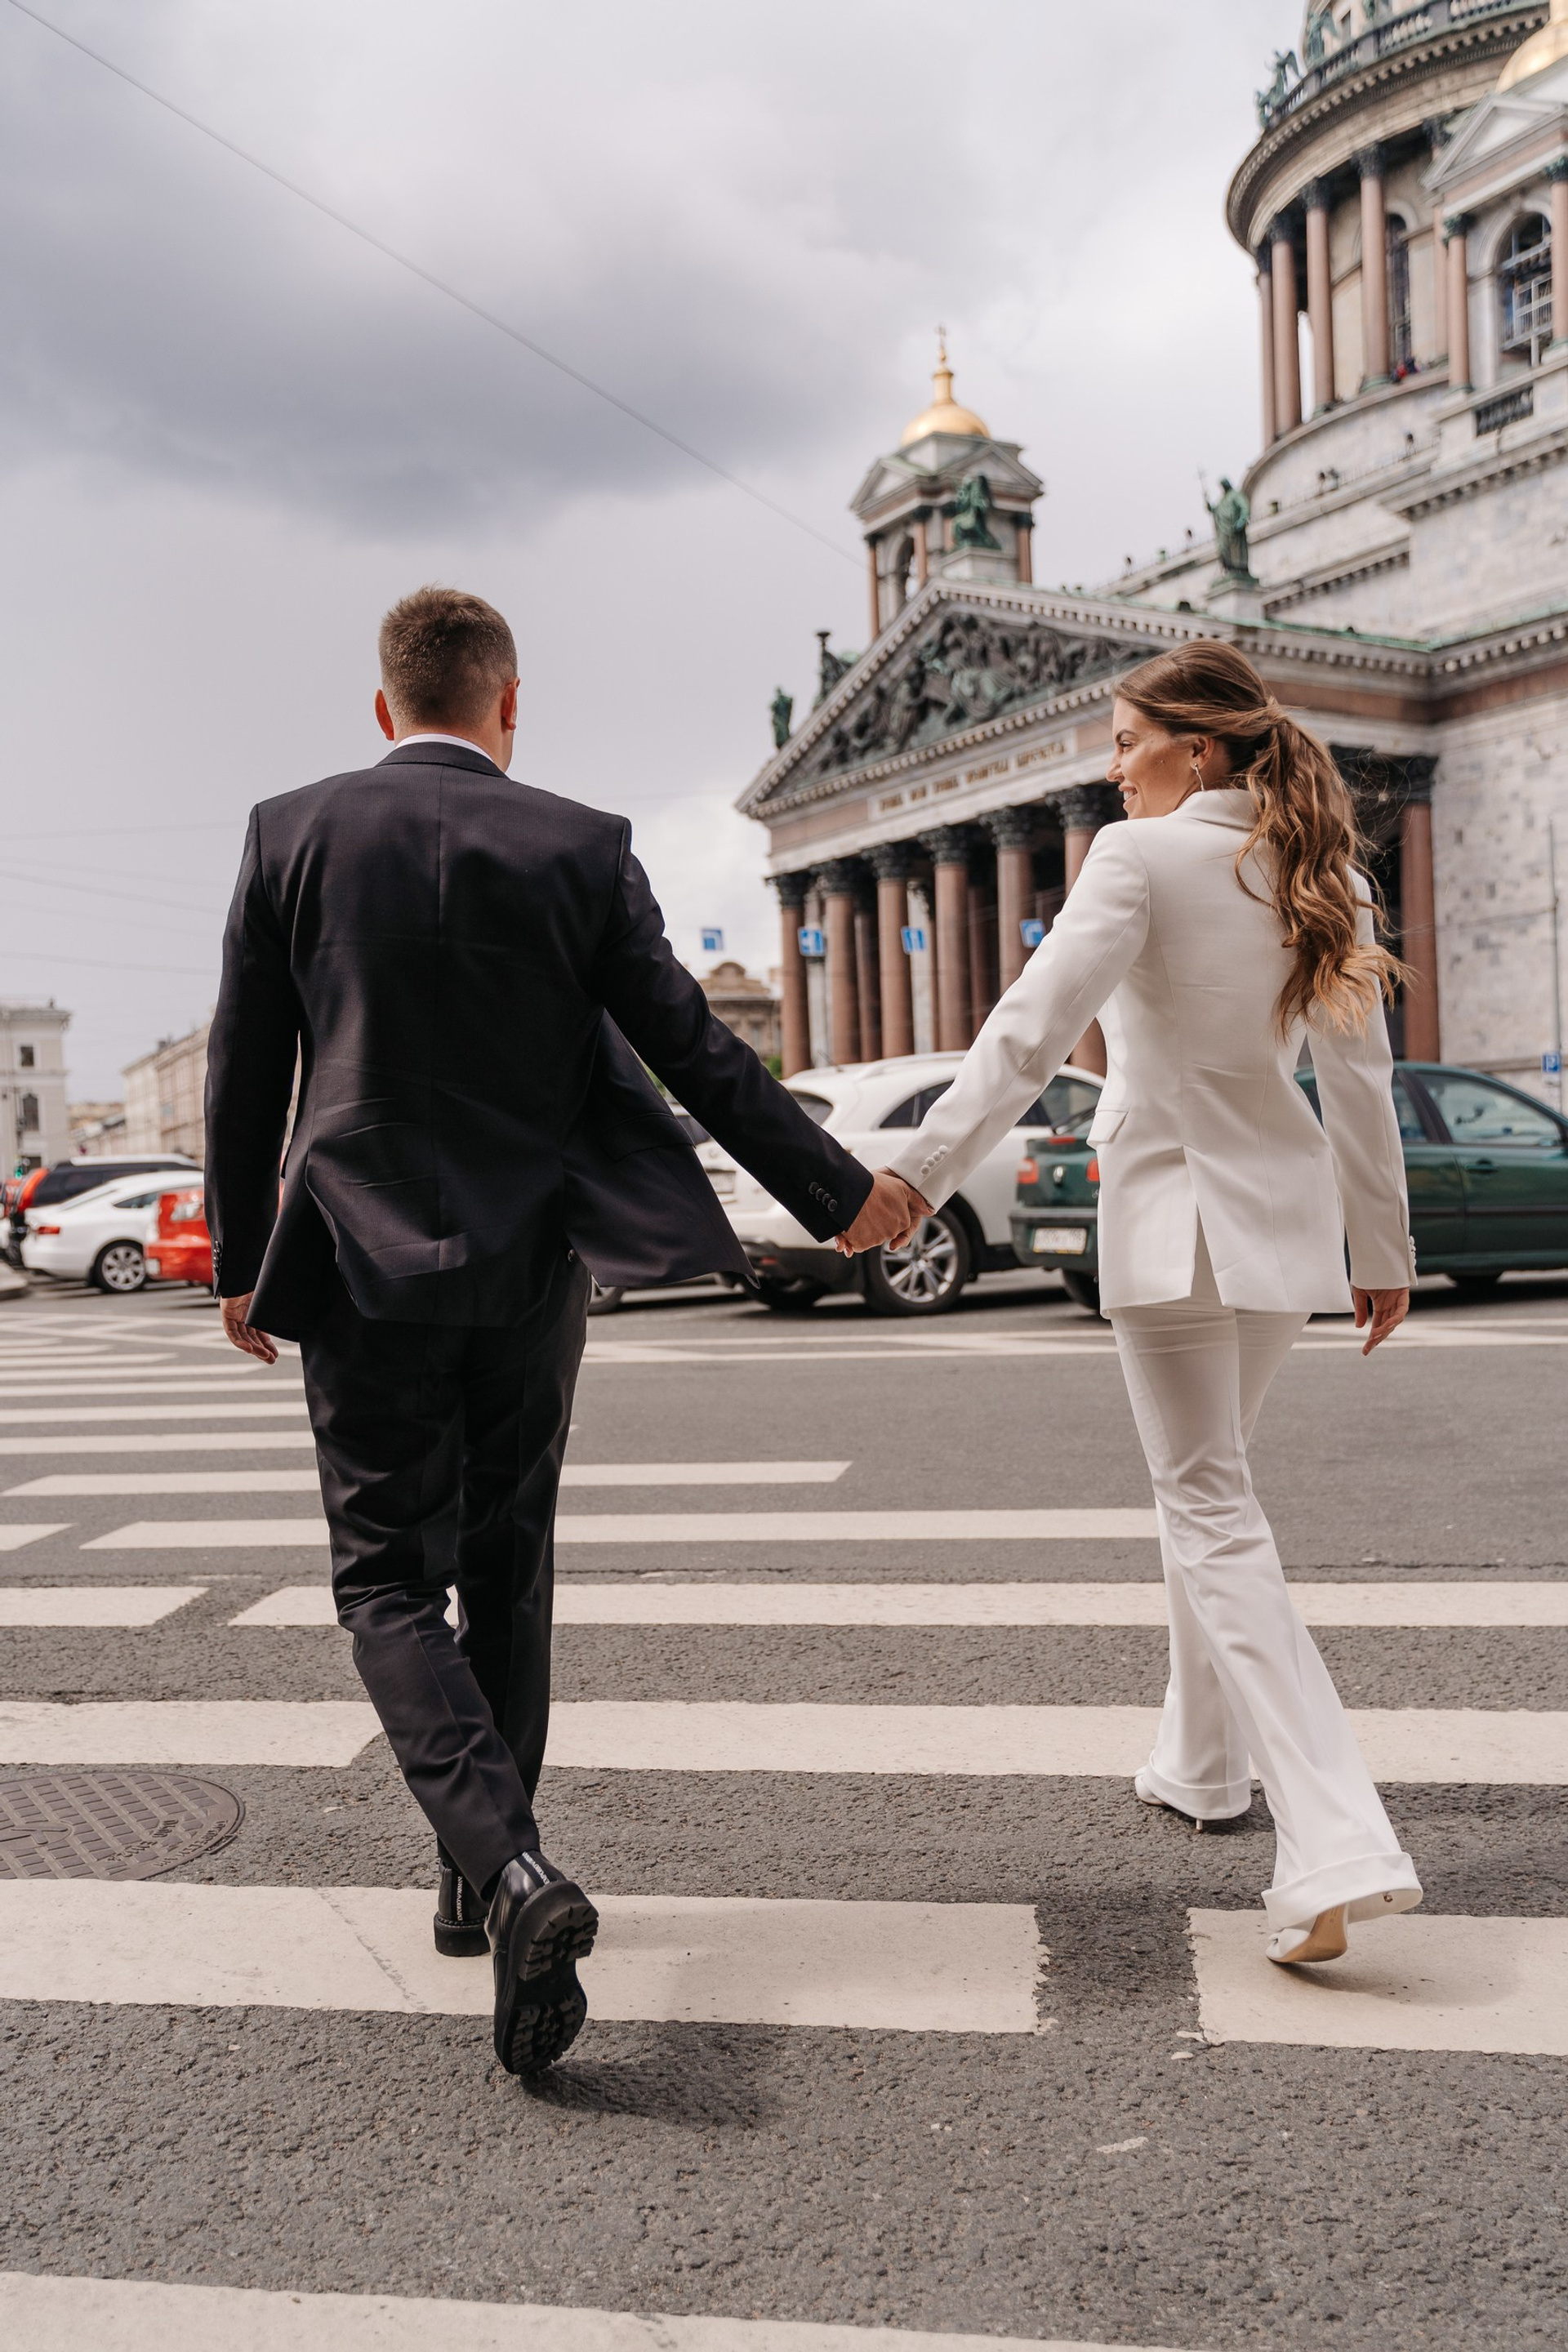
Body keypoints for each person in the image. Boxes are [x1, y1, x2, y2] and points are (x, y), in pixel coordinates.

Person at [205, 586, 909, 2075]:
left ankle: (505, 1869)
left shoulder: (290, 831)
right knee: (510, 1570)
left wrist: (240, 1254)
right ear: (509, 704)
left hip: (361, 1262)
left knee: (388, 1583)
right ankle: (488, 1880)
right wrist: (837, 1193)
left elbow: (247, 1062)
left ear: (386, 708)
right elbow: (696, 1049)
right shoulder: (582, 846)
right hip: (533, 1269)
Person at [859, 638, 1422, 1966]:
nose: (1110, 768)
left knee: (1211, 1509)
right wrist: (1381, 1252)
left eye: (1126, 742)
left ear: (1202, 748)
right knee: (1210, 1489)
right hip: (1283, 1242)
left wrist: (920, 1175)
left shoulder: (1139, 861)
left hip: (1173, 1230)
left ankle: (1335, 1839)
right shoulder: (1322, 873)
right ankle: (1202, 1764)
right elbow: (1360, 1083)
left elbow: (1026, 1034)